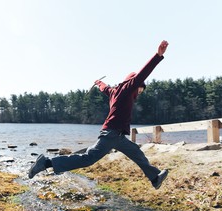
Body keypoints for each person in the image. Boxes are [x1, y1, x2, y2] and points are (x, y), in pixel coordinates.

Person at [29, 40, 170, 190]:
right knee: (88, 159)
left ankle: (155, 178)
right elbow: (143, 73)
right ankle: (46, 163)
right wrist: (157, 56)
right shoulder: (128, 88)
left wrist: (98, 82)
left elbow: (105, 88)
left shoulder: (115, 91)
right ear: (133, 83)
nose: (139, 92)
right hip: (111, 134)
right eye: (139, 89)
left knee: (136, 153)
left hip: (118, 136)